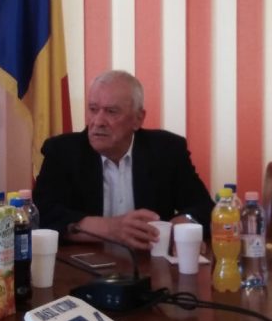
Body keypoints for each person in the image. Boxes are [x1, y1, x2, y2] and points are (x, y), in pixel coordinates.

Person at [33, 70, 214, 250]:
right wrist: (110, 228)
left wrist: (183, 223)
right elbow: (43, 215)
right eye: (93, 109)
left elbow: (204, 208)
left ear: (138, 119)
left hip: (148, 262)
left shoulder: (167, 150)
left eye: (111, 112)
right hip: (82, 263)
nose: (98, 121)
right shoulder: (62, 152)